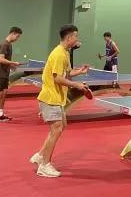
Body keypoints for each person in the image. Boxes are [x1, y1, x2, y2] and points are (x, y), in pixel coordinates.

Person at [29, 24, 90, 178]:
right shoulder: (58, 54)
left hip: (57, 98)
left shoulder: (65, 53)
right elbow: (57, 78)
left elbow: (67, 74)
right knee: (56, 129)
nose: (77, 39)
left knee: (61, 126)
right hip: (50, 98)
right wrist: (77, 85)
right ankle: (44, 165)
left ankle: (40, 156)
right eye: (75, 36)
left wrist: (79, 72)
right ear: (69, 37)